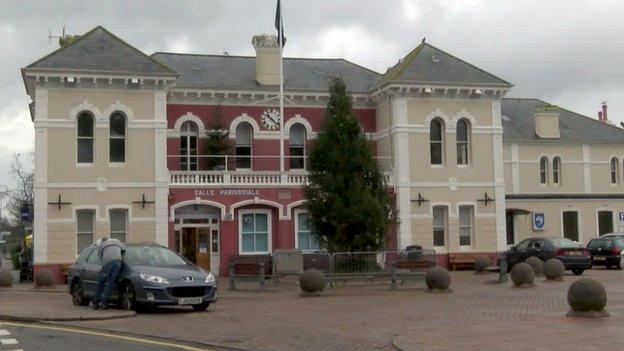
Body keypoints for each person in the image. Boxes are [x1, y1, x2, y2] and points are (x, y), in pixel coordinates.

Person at [92, 237, 126, 310]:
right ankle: (104, 303)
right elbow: (124, 250)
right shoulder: (117, 242)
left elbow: (100, 257)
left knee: (101, 283)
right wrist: (121, 257)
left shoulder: (102, 245)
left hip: (107, 263)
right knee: (111, 283)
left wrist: (103, 266)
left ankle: (95, 303)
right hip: (117, 262)